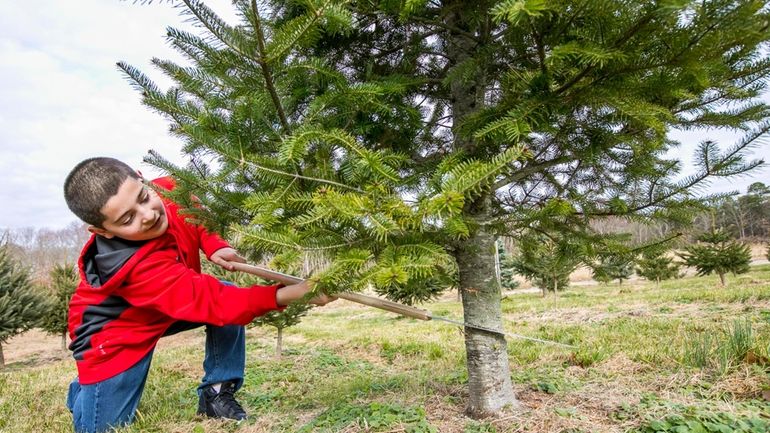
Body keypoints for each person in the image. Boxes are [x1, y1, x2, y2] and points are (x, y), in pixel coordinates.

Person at [62, 157, 332, 433]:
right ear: (102, 231)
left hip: (166, 305)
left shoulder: (167, 189)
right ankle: (87, 388)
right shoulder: (136, 269)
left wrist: (213, 244)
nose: (148, 215)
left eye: (143, 197)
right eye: (128, 219)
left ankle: (216, 394)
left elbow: (194, 210)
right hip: (114, 334)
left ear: (142, 179)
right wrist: (291, 294)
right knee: (101, 428)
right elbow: (216, 304)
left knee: (228, 291)